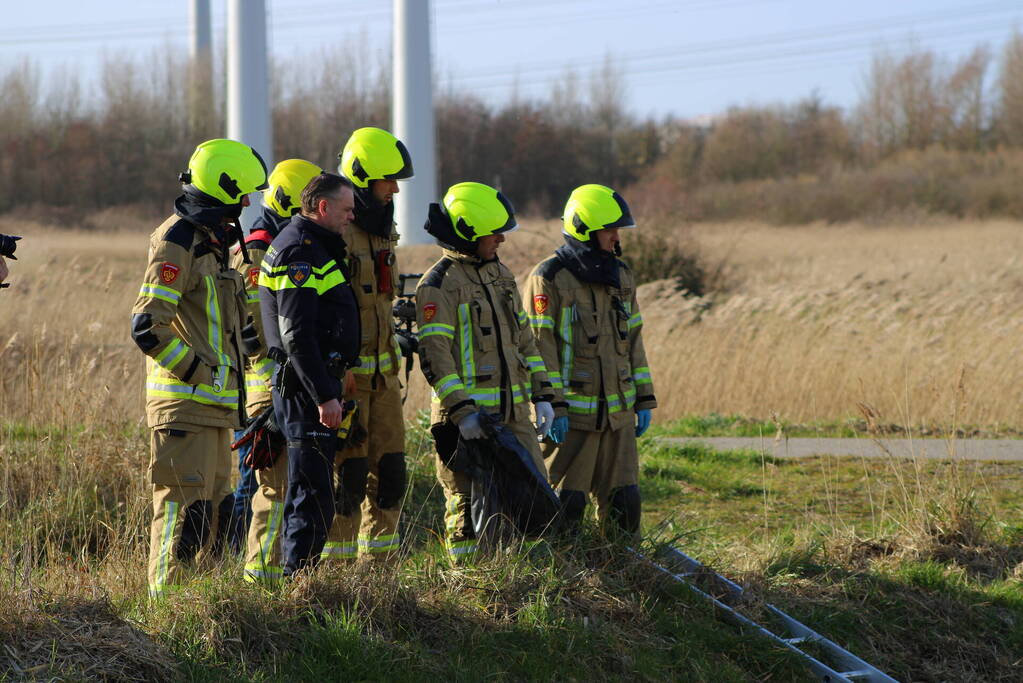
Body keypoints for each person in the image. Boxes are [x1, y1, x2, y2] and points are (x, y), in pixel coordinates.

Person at [130, 138, 268, 598]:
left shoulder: (215, 242)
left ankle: (199, 614)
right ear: (222, 188)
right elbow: (148, 327)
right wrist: (201, 374)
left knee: (212, 517)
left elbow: (233, 325)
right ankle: (167, 619)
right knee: (183, 516)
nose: (247, 204)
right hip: (185, 408)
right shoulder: (178, 240)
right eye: (242, 193)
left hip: (216, 410)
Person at [415, 181, 556, 561]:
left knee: (533, 497)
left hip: (514, 414)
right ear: (468, 233)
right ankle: (468, 587)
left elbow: (524, 339)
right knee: (466, 506)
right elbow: (435, 356)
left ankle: (528, 583)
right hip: (468, 421)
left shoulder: (501, 275)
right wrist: (462, 412)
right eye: (493, 233)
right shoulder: (439, 285)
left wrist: (543, 395)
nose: (501, 240)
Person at [523, 184, 657, 535]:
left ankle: (622, 572)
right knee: (565, 508)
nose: (616, 237)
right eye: (609, 229)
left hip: (619, 418)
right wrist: (552, 404)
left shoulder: (621, 275)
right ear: (584, 228)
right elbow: (539, 347)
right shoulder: (548, 278)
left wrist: (643, 398)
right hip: (571, 420)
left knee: (625, 506)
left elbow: (634, 342)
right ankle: (566, 580)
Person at [258, 172, 360, 577]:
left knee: (314, 491)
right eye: (347, 208)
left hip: (313, 385)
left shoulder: (315, 246)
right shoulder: (299, 252)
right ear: (323, 207)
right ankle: (298, 590)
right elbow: (296, 334)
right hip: (306, 392)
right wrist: (324, 395)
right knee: (309, 493)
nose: (352, 216)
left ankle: (302, 582)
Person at [322, 127, 413, 562]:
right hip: (348, 383)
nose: (395, 189)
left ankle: (379, 579)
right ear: (361, 179)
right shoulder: (337, 234)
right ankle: (337, 584)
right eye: (387, 180)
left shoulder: (382, 230)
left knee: (391, 475)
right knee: (348, 480)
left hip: (385, 379)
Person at [230, 158, 322, 581]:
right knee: (262, 485)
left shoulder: (292, 243)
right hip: (265, 387)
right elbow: (252, 328)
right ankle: (249, 573)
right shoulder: (257, 251)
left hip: (289, 381)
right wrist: (272, 383)